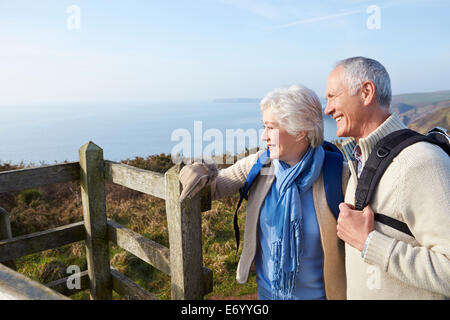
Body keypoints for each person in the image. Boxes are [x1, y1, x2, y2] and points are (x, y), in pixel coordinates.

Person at [179, 84, 349, 300]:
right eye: (264, 127)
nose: (263, 136)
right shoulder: (261, 164)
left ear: (300, 132)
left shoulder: (339, 176)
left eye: (270, 128)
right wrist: (201, 168)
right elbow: (216, 186)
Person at [324, 56, 450, 299]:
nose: (327, 109)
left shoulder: (421, 162)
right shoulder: (359, 161)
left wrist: (371, 243)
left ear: (366, 92)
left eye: (332, 97)